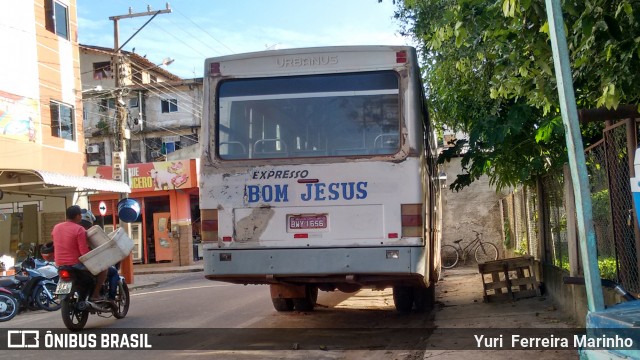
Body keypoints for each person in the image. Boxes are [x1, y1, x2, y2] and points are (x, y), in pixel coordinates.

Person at [51, 205, 108, 302]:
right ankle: (95, 295)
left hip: (60, 264)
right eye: (80, 215)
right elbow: (83, 252)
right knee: (104, 269)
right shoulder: (79, 229)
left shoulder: (56, 227)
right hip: (76, 265)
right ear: (78, 216)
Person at [79, 208, 119, 301]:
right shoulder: (92, 233)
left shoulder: (71, 231)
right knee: (112, 272)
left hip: (71, 263)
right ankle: (105, 297)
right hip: (88, 263)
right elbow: (102, 246)